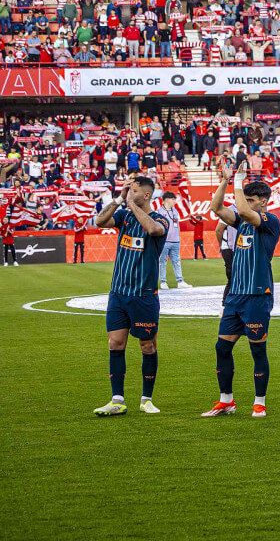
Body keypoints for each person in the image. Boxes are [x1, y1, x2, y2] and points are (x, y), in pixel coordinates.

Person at [202, 162, 280, 418]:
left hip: (257, 296)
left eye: (249, 199)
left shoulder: (270, 221)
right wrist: (225, 180)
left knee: (257, 350)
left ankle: (260, 401)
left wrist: (238, 181)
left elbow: (245, 212)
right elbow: (216, 209)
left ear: (263, 202)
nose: (243, 203)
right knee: (221, 348)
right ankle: (227, 400)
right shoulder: (241, 222)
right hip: (235, 295)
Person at [92, 176, 169, 416]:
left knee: (147, 345)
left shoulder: (159, 219)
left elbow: (153, 230)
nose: (129, 192)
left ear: (145, 195)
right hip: (118, 293)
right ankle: (117, 400)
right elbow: (99, 221)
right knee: (115, 342)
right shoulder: (124, 217)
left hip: (143, 295)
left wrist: (131, 204)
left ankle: (146, 398)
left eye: (133, 190)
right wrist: (118, 198)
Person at [156, 192, 189, 290]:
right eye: (173, 199)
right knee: (162, 262)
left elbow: (177, 224)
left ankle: (180, 281)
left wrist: (178, 237)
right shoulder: (159, 212)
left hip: (175, 241)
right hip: (164, 241)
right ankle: (163, 282)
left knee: (177, 261)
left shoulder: (175, 211)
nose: (175, 201)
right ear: (166, 199)